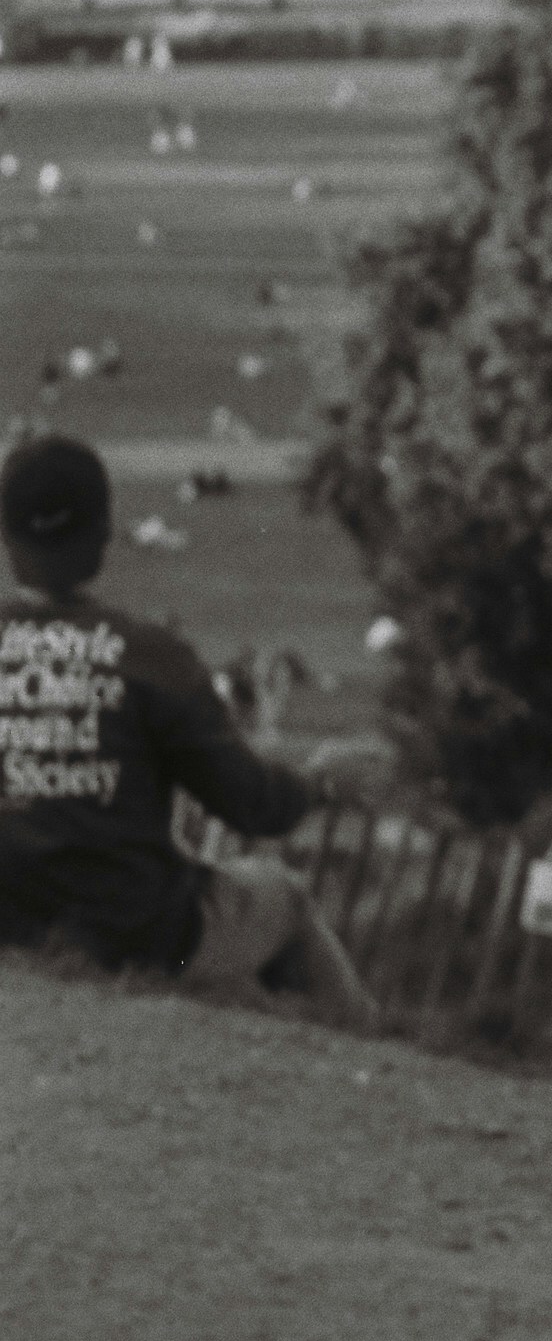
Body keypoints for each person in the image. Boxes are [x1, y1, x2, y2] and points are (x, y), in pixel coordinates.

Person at [0, 433, 374, 1024]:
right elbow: (252, 805)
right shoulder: (149, 655)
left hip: (12, 927)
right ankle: (369, 1064)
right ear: (103, 532)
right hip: (137, 936)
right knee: (284, 896)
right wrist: (321, 785)